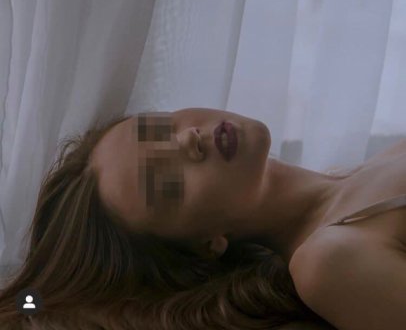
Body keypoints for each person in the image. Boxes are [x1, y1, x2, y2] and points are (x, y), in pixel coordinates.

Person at [0, 108, 404, 329]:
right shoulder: (329, 263)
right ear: (207, 244)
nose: (187, 139)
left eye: (161, 128)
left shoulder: (363, 170)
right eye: (165, 182)